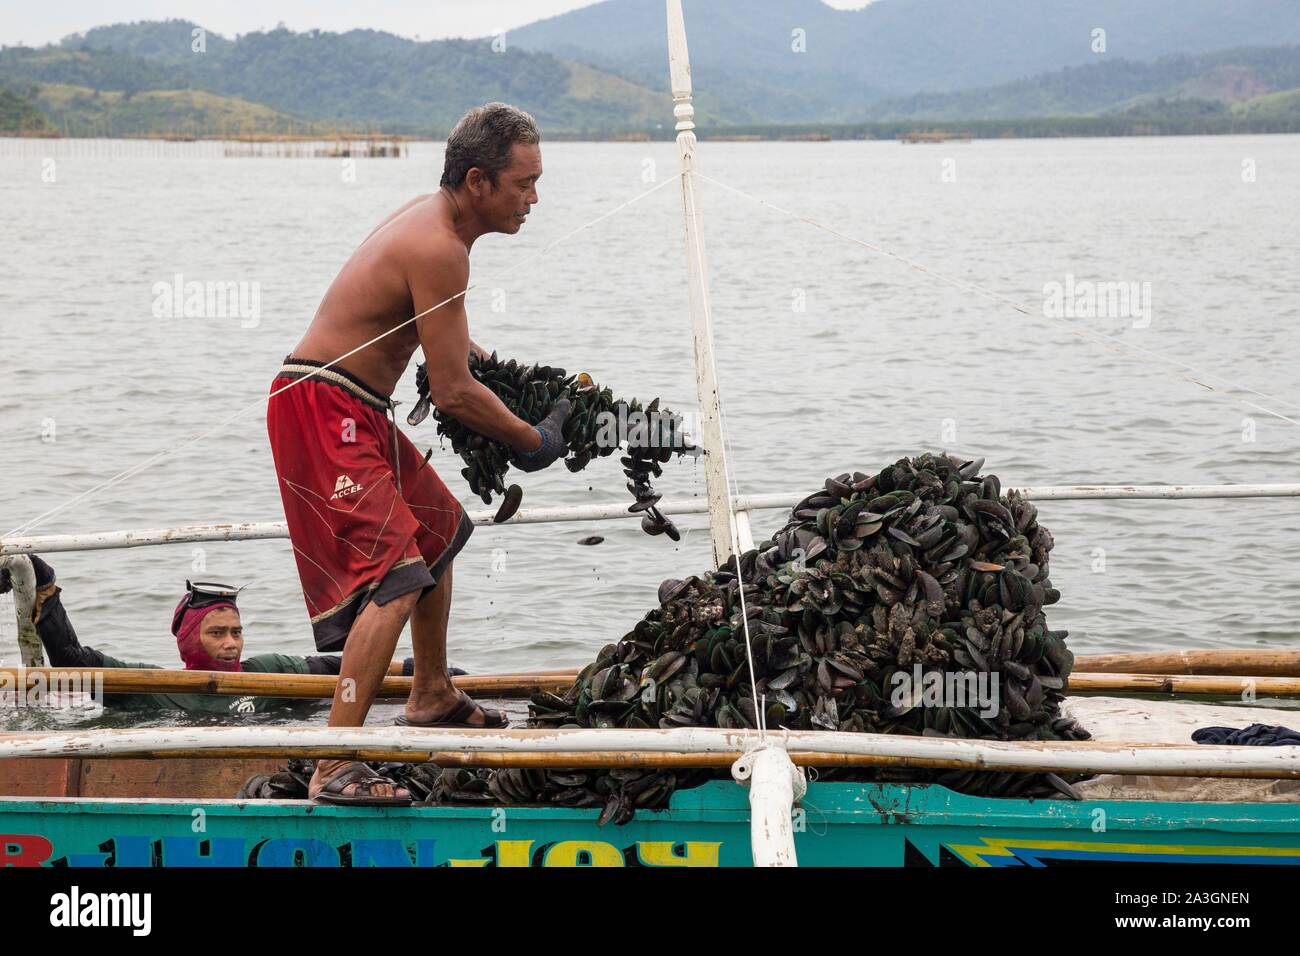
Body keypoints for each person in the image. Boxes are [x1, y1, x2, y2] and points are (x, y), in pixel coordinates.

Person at [266, 103, 571, 805]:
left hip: (356, 405)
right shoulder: (440, 246)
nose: (534, 198)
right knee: (397, 578)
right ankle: (333, 761)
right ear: (478, 182)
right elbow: (456, 393)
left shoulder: (439, 231)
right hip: (320, 406)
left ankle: (430, 693)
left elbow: (448, 347)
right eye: (524, 183)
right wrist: (534, 441)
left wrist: (512, 378)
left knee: (440, 532)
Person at [0, 555, 449, 716]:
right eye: (217, 633)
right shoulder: (150, 688)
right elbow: (74, 663)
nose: (232, 642)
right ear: (189, 641)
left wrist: (430, 672)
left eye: (236, 631)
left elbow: (345, 669)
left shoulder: (270, 672)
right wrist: (44, 584)